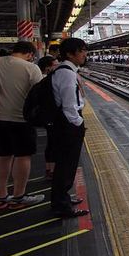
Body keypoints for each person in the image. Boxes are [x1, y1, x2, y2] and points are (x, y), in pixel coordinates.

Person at [0, 41, 45, 211]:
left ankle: (1, 196)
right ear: (29, 54)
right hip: (21, 119)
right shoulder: (31, 68)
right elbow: (40, 93)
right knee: (22, 157)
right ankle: (19, 197)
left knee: (3, 156)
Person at [50, 38, 89, 218]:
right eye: (81, 51)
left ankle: (63, 198)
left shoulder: (65, 70)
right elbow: (69, 105)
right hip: (68, 124)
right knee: (66, 164)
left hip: (66, 123)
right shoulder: (66, 73)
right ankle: (61, 205)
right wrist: (78, 123)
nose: (84, 54)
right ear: (69, 53)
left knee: (67, 164)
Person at [37, 55, 60, 178]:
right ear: (47, 68)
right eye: (55, 65)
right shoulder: (48, 81)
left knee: (51, 143)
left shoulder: (42, 80)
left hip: (47, 118)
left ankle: (49, 169)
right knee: (54, 144)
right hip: (52, 118)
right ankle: (52, 171)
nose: (58, 67)